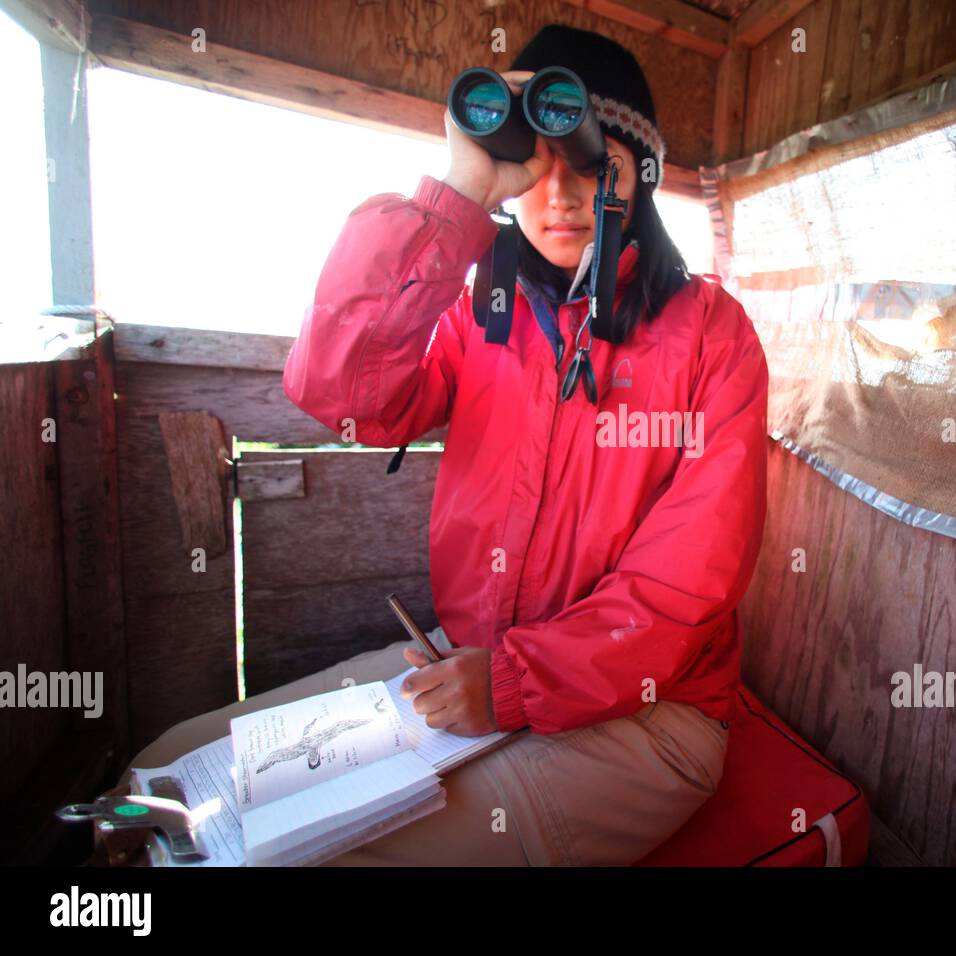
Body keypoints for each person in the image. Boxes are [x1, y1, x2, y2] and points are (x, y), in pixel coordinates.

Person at [120, 24, 769, 866]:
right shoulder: (481, 315)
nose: (560, 195)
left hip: (655, 716)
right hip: (474, 667)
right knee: (168, 769)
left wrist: (510, 684)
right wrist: (459, 189)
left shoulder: (713, 336)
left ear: (637, 177)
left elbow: (687, 586)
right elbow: (342, 394)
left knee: (300, 857)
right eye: (532, 164)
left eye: (590, 162)